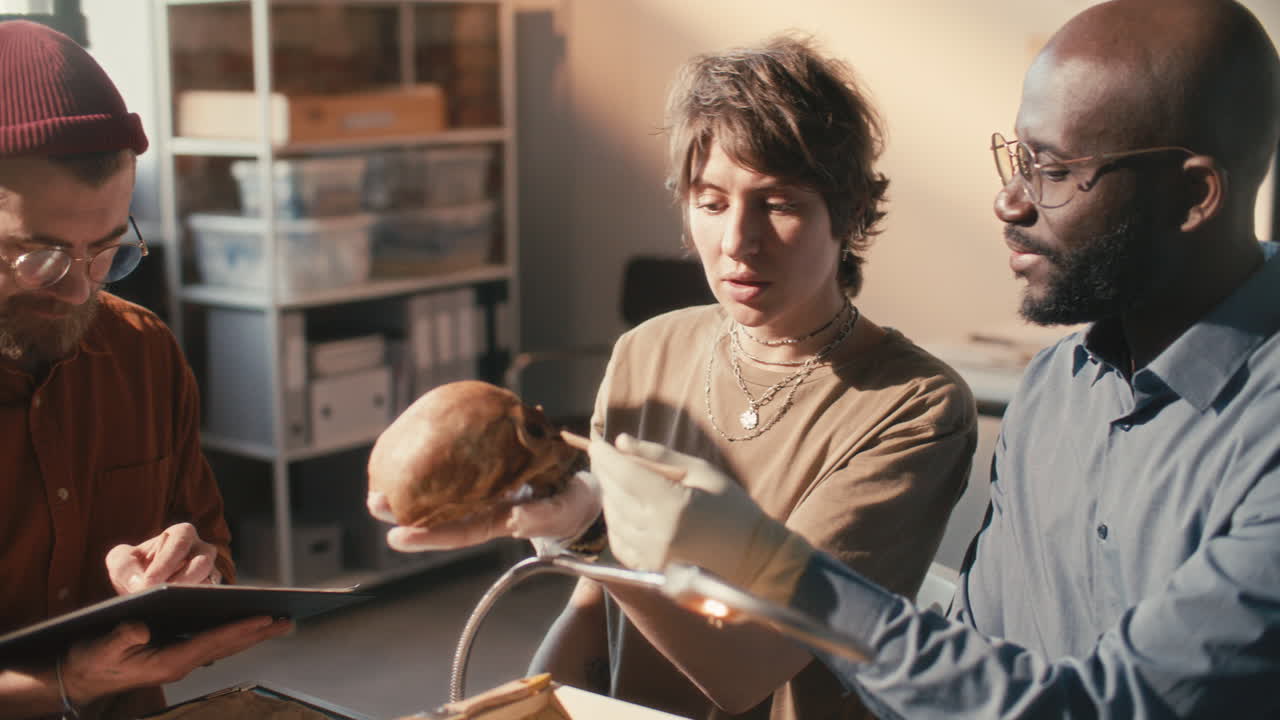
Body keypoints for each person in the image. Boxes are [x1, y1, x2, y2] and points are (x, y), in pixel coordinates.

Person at [585, 0, 1280, 717]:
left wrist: (783, 571)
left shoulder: (1263, 435)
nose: (1008, 203)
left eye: (1053, 170)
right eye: (1018, 159)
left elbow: (1101, 706)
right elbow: (974, 661)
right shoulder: (1055, 390)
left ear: (1192, 195)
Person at [370, 34, 977, 720]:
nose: (737, 242)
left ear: (852, 210)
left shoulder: (916, 407)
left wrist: (594, 531)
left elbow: (749, 669)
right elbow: (594, 604)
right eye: (711, 202)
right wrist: (519, 708)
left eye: (779, 203)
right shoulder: (648, 351)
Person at [0, 21, 291, 720]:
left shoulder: (140, 352)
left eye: (106, 251)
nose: (79, 291)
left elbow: (212, 549)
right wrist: (67, 683)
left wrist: (191, 578)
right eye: (38, 257)